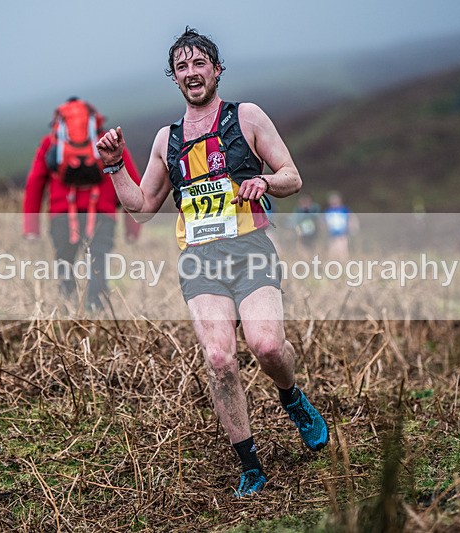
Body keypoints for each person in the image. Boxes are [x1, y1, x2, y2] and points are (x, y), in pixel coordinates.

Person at [95, 27, 328, 497]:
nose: (191, 73)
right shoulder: (168, 139)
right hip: (199, 260)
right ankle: (251, 466)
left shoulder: (247, 116)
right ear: (175, 78)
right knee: (220, 358)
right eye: (182, 67)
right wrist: (116, 164)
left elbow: (293, 177)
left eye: (199, 63)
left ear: (216, 69)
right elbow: (142, 205)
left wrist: (264, 181)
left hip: (250, 250)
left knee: (266, 346)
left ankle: (292, 397)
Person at [22, 97, 142, 311]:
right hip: (102, 216)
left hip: (61, 216)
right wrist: (133, 227)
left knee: (65, 269)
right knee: (98, 271)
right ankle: (98, 318)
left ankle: (68, 316)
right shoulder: (107, 141)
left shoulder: (51, 143)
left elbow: (34, 183)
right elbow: (131, 182)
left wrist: (31, 228)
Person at [323, 191, 354, 261]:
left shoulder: (344, 210)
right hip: (332, 235)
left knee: (343, 252)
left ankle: (343, 265)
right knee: (332, 252)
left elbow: (351, 219)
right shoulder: (328, 211)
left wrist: (352, 228)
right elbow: (324, 222)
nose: (334, 203)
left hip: (342, 235)